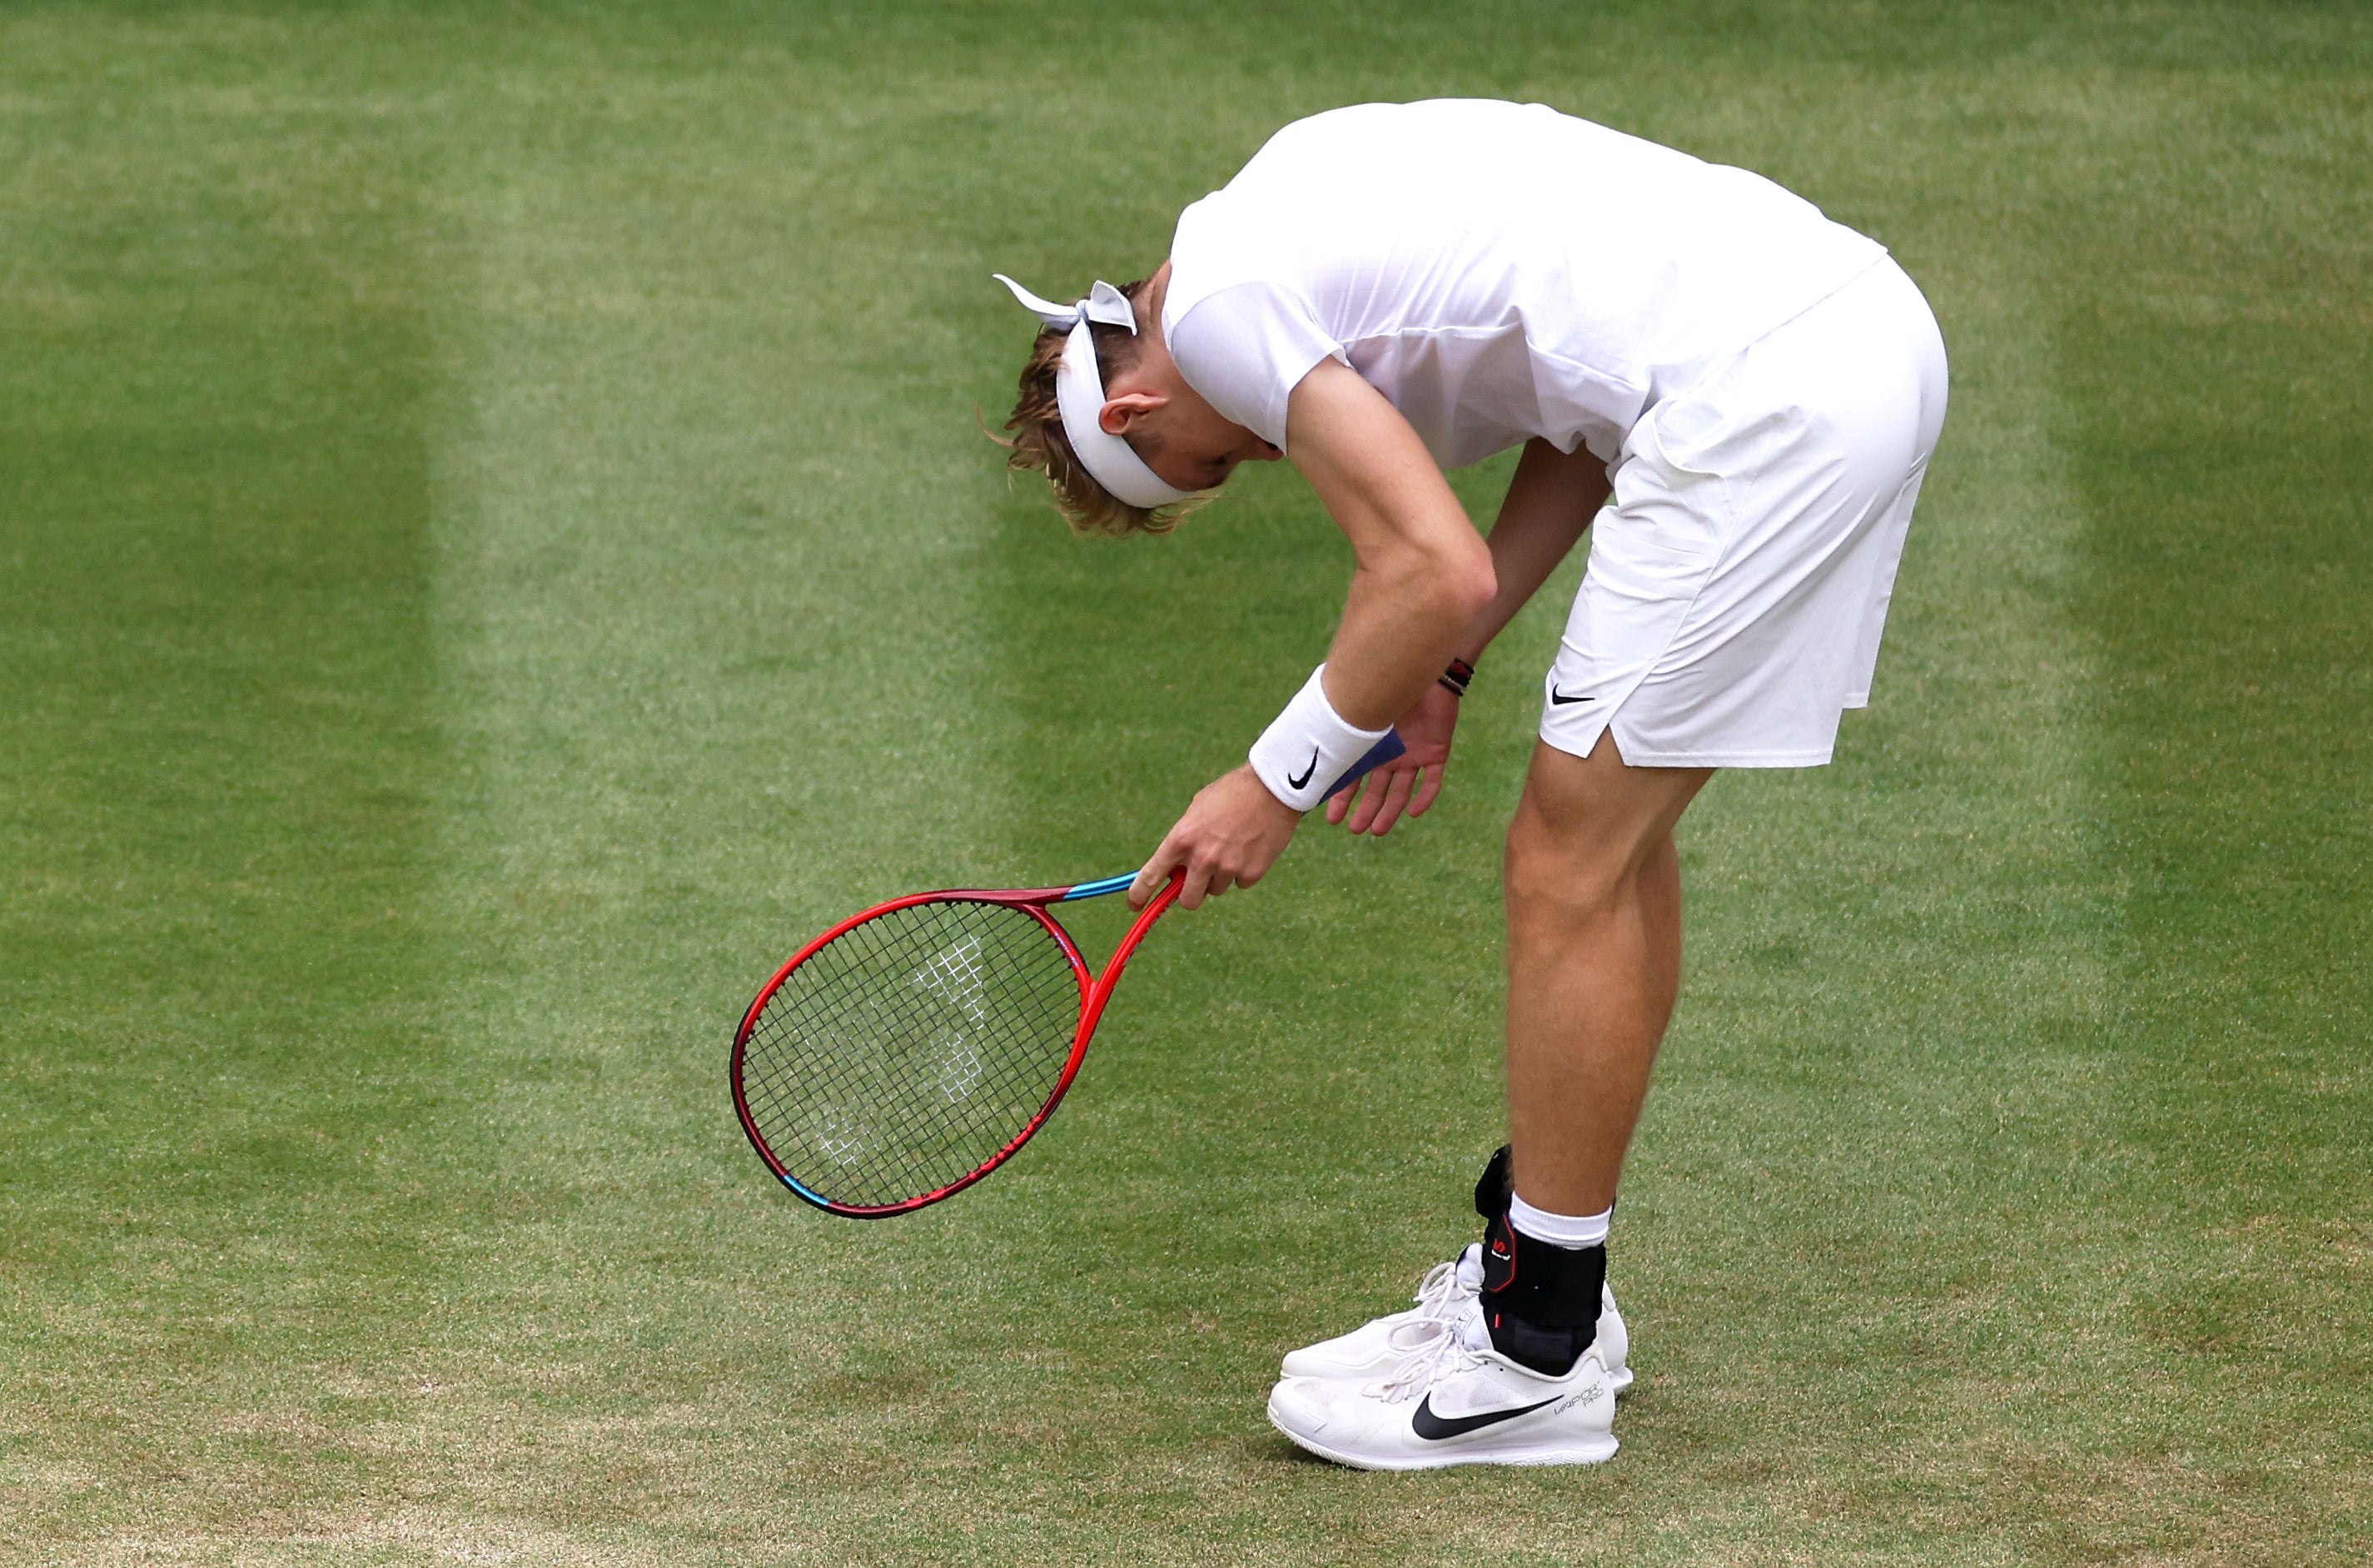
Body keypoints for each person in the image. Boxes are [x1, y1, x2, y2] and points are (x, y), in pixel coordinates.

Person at [993, 98, 1947, 1471]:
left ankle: (1532, 1353)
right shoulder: (1266, 213)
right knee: (1608, 849)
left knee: (1564, 863)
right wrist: (1441, 671)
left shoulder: (1220, 317)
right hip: (1844, 329)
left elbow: (1425, 566)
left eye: (1211, 459)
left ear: (1133, 403)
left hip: (1771, 398)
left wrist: (1270, 785)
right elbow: (1578, 413)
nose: (1257, 457)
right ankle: (1550, 1281)